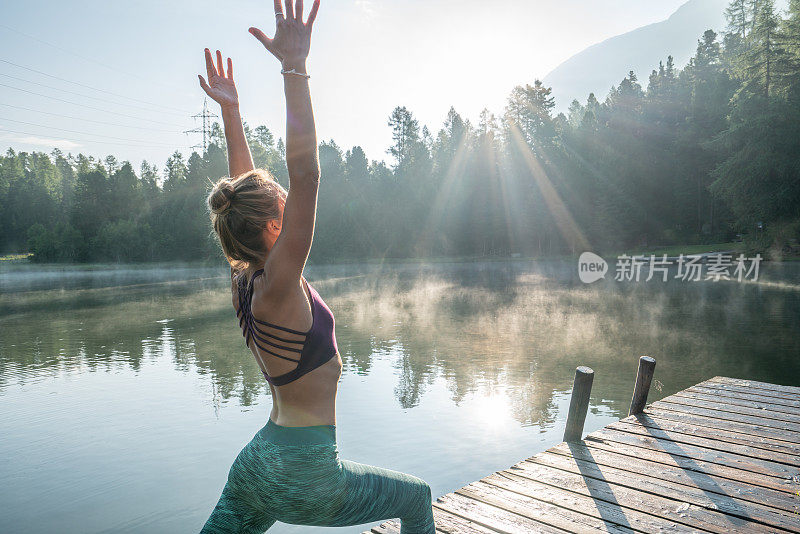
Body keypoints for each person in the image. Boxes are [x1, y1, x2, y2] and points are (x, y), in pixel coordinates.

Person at [198, 2, 436, 532]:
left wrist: (231, 113)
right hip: (307, 475)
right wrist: (294, 68)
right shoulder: (279, 283)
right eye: (281, 200)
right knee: (418, 498)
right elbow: (305, 175)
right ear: (275, 227)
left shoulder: (250, 281)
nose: (289, 196)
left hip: (256, 465)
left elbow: (241, 194)